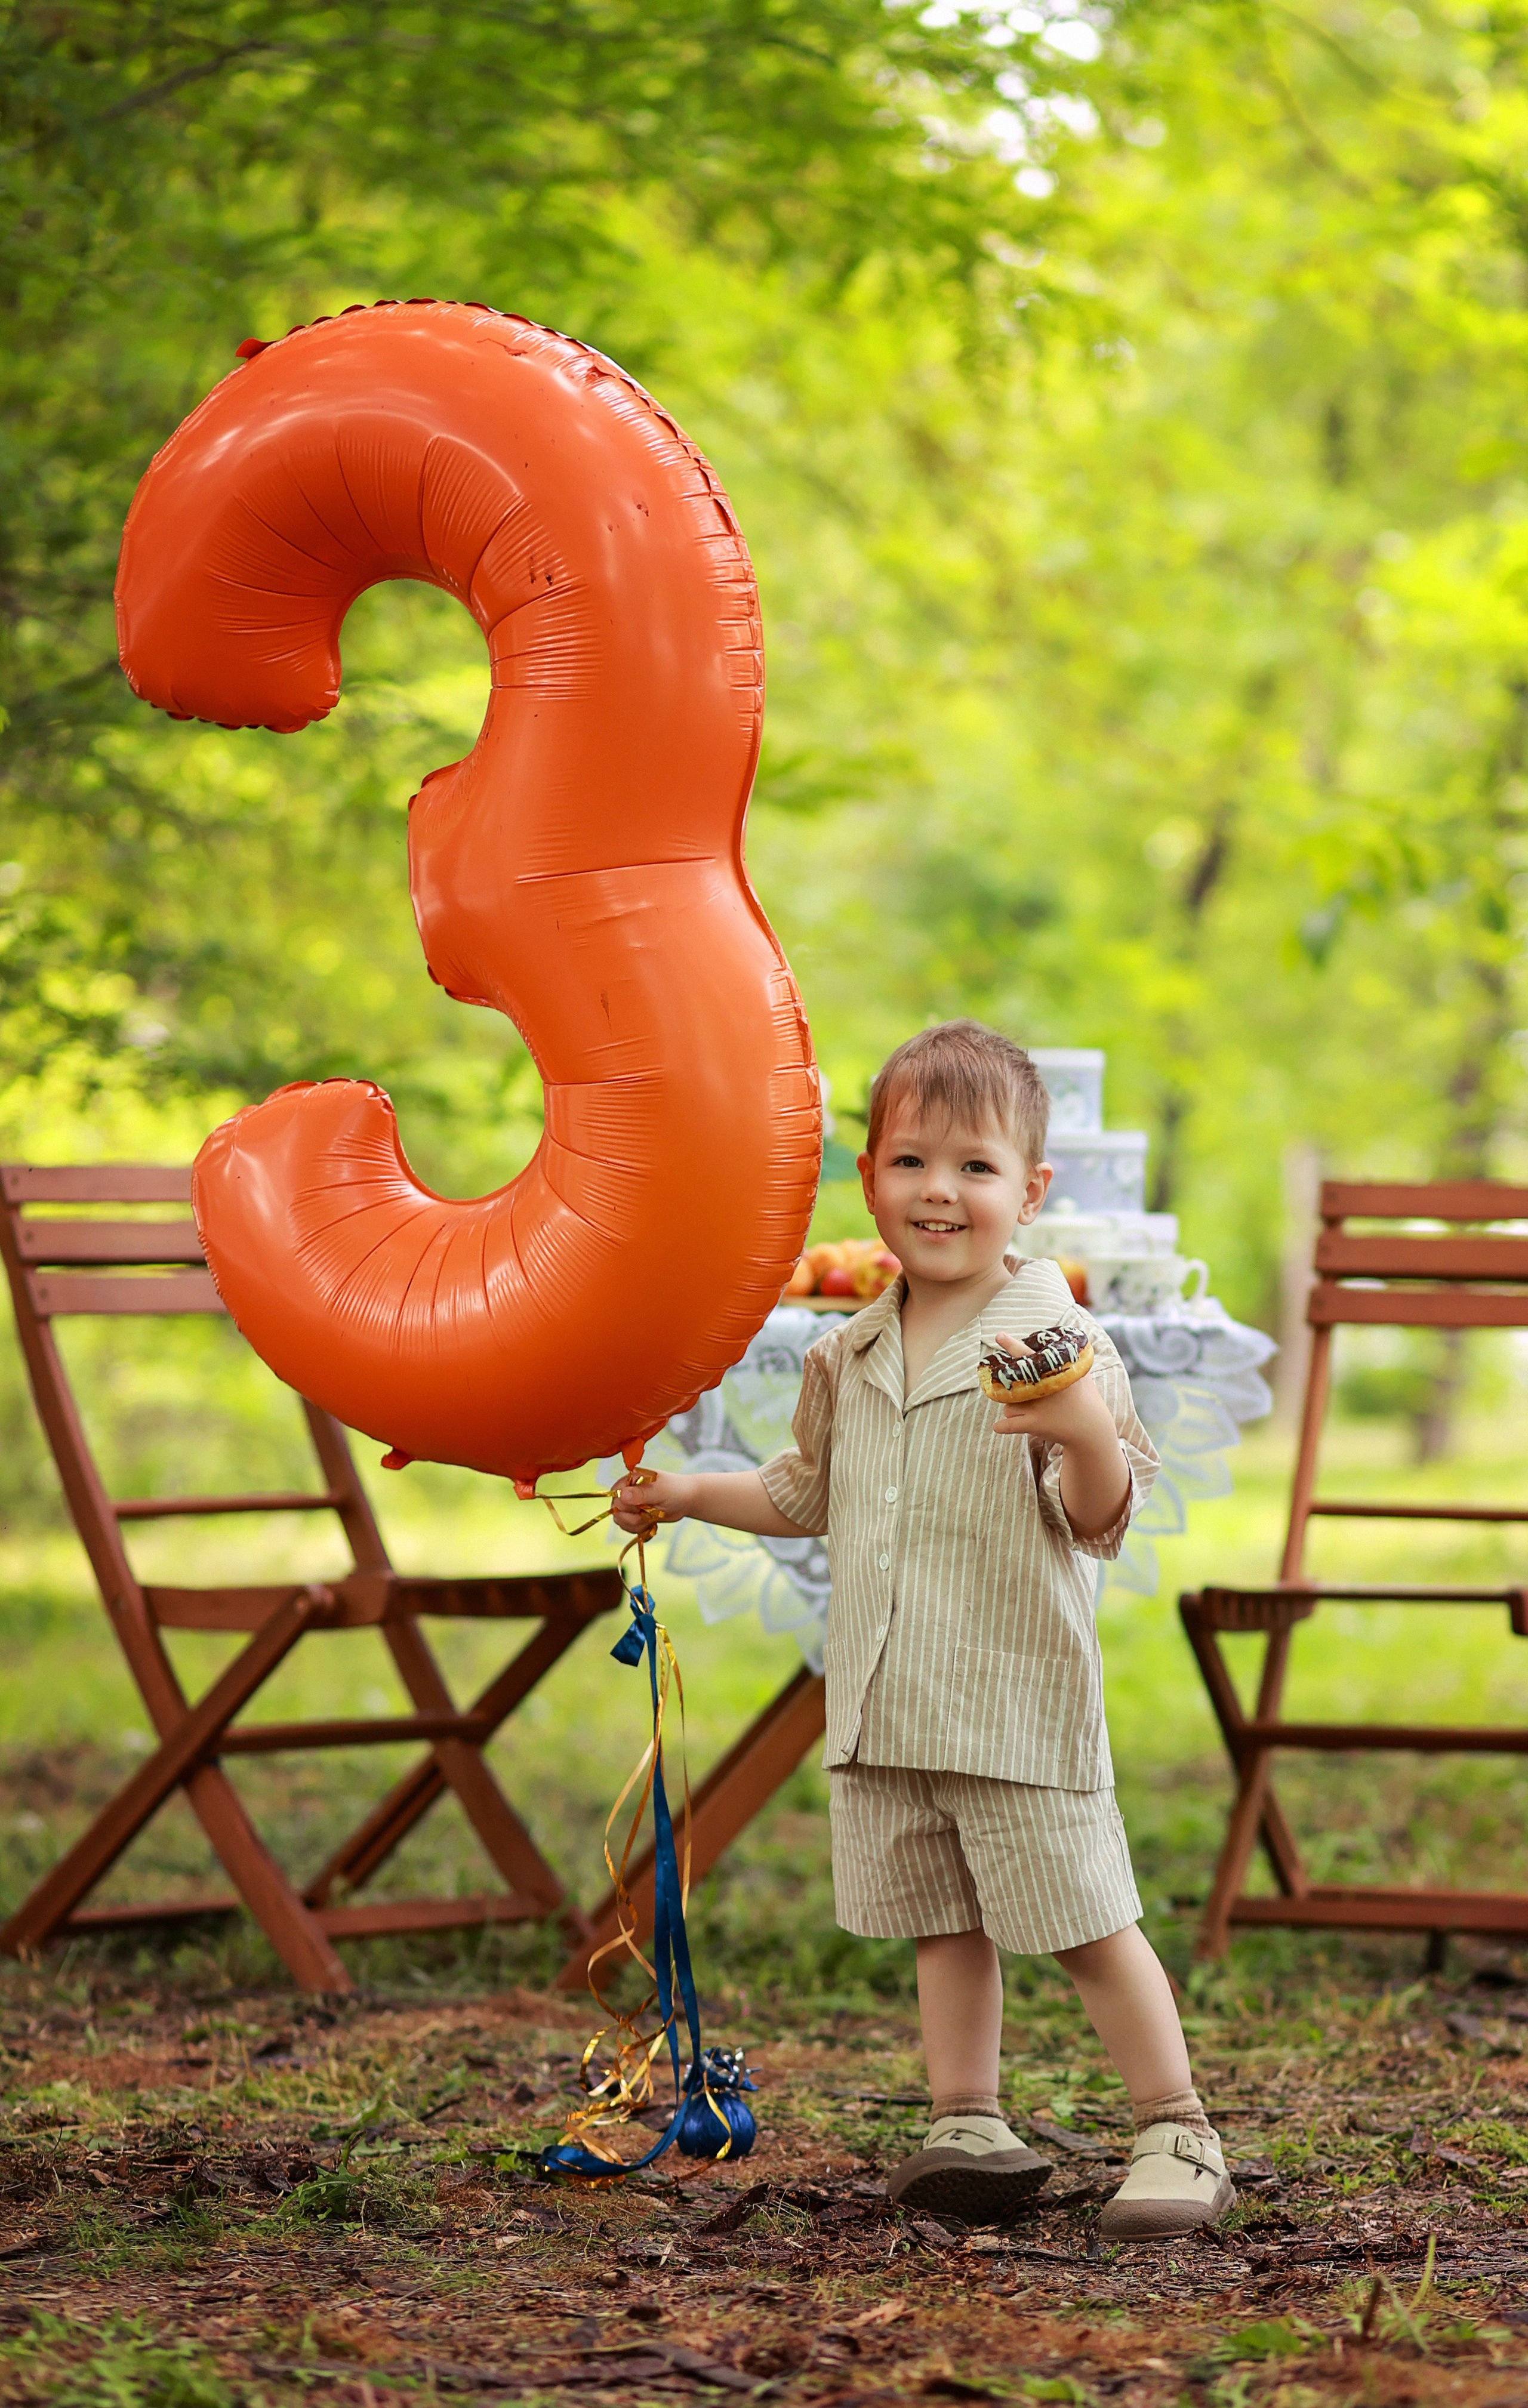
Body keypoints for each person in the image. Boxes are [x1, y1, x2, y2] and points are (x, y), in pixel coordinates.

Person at [612, 1020, 1231, 2237]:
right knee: (942, 1919)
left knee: (1084, 1917)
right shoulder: (846, 1351)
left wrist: (1084, 1432)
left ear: (1028, 1191)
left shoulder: (1055, 1342)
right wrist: (689, 1490)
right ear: (868, 1179)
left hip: (1009, 1694)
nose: (938, 1190)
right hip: (889, 1696)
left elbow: (1098, 1517)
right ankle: (969, 2118)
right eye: (910, 1162)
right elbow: (802, 1493)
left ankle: (1175, 2124)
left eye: (974, 1166)